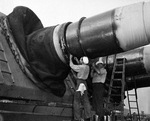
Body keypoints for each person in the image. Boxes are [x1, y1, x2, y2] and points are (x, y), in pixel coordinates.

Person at [69, 55, 92, 121]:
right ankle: (88, 116)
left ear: (82, 61)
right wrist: (77, 60)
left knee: (76, 101)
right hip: (84, 83)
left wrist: (70, 58)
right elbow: (81, 65)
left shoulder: (81, 67)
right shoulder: (87, 67)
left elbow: (72, 66)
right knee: (86, 100)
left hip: (79, 83)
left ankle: (77, 118)